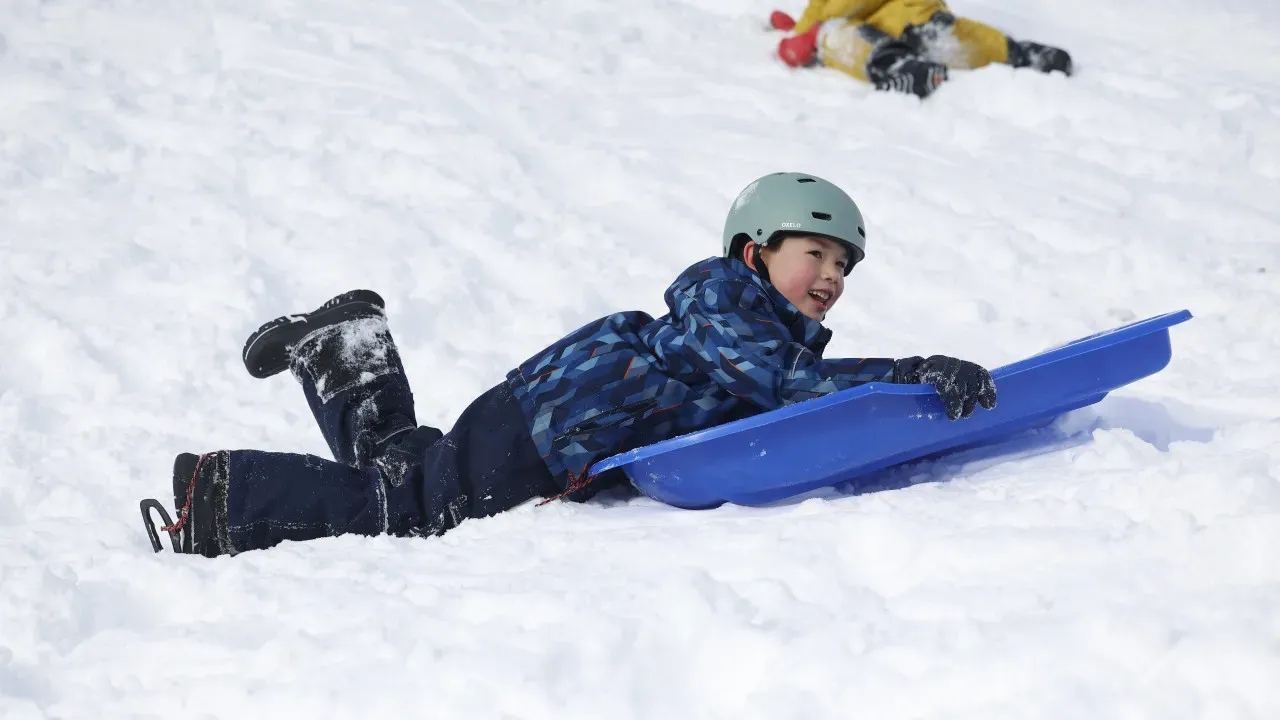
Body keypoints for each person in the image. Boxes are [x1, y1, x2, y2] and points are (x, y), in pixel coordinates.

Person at [140, 172, 997, 557]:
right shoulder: (733, 315)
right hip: (549, 432)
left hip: (543, 417)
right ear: (752, 252)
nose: (833, 278)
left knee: (415, 470)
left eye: (845, 267)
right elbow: (785, 387)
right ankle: (216, 500)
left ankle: (345, 345)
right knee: (404, 511)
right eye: (816, 253)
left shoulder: (748, 322)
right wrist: (912, 373)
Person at [771, 0, 1073, 98]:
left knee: (831, 35)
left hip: (894, 28)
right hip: (915, 18)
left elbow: (836, 10)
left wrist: (806, 33)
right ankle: (1017, 52)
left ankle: (899, 67)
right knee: (946, 33)